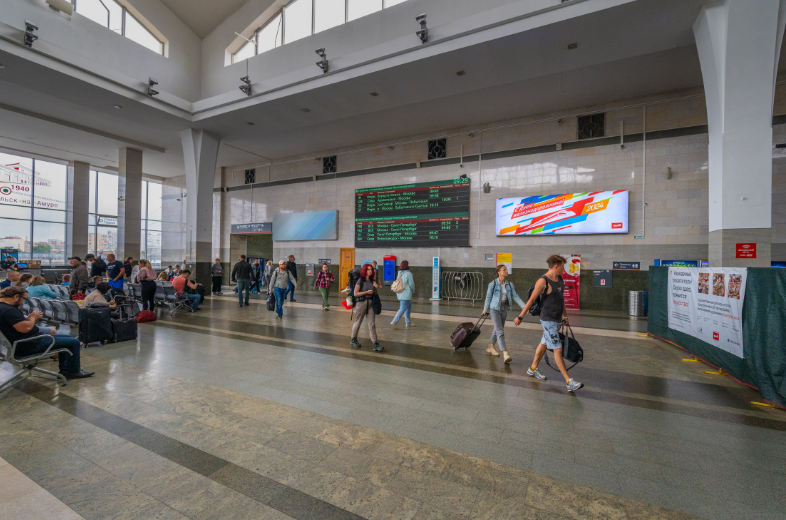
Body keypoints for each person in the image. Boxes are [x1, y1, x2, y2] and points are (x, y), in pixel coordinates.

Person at [516, 255, 583, 393]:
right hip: (548, 320)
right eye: (562, 267)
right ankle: (569, 381)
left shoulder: (560, 279)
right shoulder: (543, 281)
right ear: (556, 266)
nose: (564, 270)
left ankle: (533, 369)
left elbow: (561, 299)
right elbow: (531, 300)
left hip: (557, 319)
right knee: (557, 349)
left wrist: (565, 315)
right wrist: (520, 316)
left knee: (544, 344)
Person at [0, 286, 94, 379]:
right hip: (30, 344)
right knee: (74, 342)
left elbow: (17, 325)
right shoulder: (9, 310)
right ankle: (73, 372)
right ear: (16, 296)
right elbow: (25, 328)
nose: (23, 302)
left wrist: (28, 319)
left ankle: (65, 370)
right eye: (24, 299)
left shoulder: (3, 308)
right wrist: (33, 318)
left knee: (68, 338)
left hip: (24, 342)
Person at [482, 264, 527, 365]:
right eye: (504, 270)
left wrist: (524, 307)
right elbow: (488, 298)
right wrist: (485, 310)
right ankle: (505, 353)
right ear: (499, 272)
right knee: (500, 330)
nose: (506, 271)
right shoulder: (493, 284)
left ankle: (491, 346)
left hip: (504, 308)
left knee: (498, 328)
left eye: (506, 269)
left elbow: (515, 296)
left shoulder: (509, 284)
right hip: (494, 309)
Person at [351, 264, 383, 352]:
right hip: (361, 303)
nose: (370, 271)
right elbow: (355, 293)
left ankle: (375, 343)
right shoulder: (360, 281)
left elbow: (374, 293)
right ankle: (353, 339)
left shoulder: (372, 281)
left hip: (371, 303)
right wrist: (366, 292)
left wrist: (376, 288)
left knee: (372, 324)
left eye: (371, 269)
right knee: (358, 321)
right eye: (368, 269)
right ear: (365, 270)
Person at [391, 260, 414, 328]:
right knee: (403, 308)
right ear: (407, 265)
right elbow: (411, 284)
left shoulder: (399, 273)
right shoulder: (409, 274)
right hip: (406, 294)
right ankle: (394, 321)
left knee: (408, 307)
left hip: (400, 293)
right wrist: (413, 290)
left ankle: (408, 322)